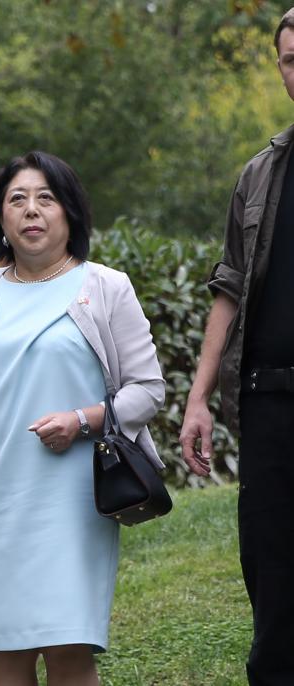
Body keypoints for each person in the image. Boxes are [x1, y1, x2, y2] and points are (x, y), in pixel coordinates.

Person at [0, 151, 165, 685]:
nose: (32, 211)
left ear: (69, 211)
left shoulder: (105, 286)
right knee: (2, 659)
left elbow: (148, 391)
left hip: (73, 504)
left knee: (68, 650)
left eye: (46, 198)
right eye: (17, 200)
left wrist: (83, 419)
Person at [178, 9, 294, 683]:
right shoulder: (260, 174)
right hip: (270, 407)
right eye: (289, 59)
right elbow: (228, 289)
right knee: (272, 583)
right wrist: (198, 399)